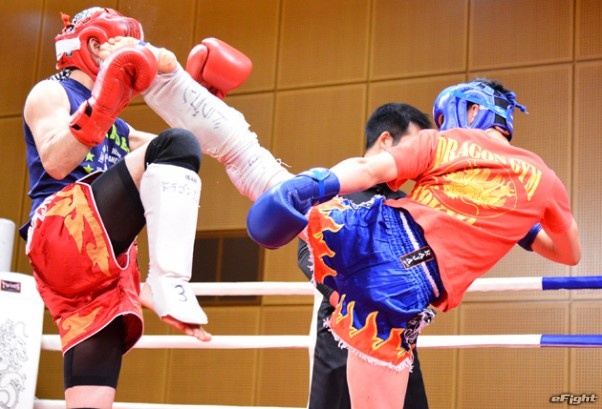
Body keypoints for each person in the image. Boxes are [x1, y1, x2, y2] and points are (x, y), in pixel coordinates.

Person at [246, 78, 582, 409]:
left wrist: (313, 183)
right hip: (405, 289)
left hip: (379, 238)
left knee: (268, 181)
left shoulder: (444, 143)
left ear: (473, 110)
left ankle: (226, 128)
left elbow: (368, 169)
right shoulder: (546, 182)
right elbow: (569, 253)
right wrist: (520, 223)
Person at [20, 7, 253, 408]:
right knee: (175, 146)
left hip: (99, 277)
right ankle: (167, 278)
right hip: (60, 231)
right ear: (93, 44)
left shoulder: (118, 128)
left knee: (92, 401)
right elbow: (56, 160)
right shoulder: (51, 93)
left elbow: (184, 148)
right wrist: (101, 108)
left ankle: (156, 284)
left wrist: (197, 99)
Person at [297, 103, 432, 409]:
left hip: (396, 327)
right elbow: (307, 252)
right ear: (385, 140)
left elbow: (424, 260)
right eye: (413, 147)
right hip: (340, 321)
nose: (418, 159)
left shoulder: (411, 203)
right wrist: (348, 299)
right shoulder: (337, 188)